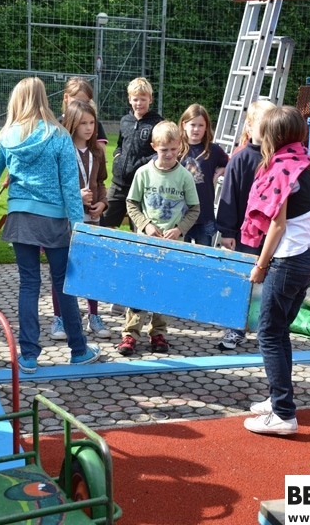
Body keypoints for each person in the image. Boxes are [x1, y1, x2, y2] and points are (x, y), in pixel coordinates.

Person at [0, 77, 100, 373]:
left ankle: (29, 355)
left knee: (29, 284)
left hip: (20, 218)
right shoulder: (58, 135)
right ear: (44, 98)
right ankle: (78, 349)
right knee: (63, 284)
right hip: (54, 221)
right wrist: (78, 225)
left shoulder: (7, 136)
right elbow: (69, 186)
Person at [241, 105, 310, 436]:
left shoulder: (283, 169)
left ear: (274, 135)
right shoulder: (303, 162)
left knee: (269, 334)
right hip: (308, 258)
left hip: (288, 261)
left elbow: (277, 225)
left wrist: (261, 266)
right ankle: (279, 400)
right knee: (279, 331)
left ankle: (284, 414)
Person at [117, 120, 200, 356]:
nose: (169, 154)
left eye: (174, 149)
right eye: (164, 150)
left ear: (180, 146)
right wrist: (145, 225)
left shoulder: (184, 176)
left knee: (165, 289)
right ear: (154, 147)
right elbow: (131, 204)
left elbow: (194, 209)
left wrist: (179, 229)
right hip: (146, 243)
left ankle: (158, 332)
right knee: (139, 286)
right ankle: (130, 333)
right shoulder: (143, 173)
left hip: (172, 244)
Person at [216, 100, 276, 350]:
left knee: (270, 285)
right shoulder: (240, 159)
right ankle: (235, 329)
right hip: (244, 236)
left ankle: (266, 331)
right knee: (243, 282)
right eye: (264, 123)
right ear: (250, 125)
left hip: (272, 235)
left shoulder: (278, 158)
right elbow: (228, 196)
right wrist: (227, 231)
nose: (269, 128)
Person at [50, 99, 111, 340]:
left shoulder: (97, 151)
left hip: (91, 220)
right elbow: (54, 186)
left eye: (92, 123)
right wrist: (76, 196)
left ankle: (93, 316)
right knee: (62, 270)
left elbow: (101, 182)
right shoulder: (62, 150)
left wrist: (102, 203)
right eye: (83, 123)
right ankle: (59, 318)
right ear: (73, 124)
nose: (88, 128)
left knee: (90, 269)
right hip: (66, 221)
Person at [100, 77, 163, 229]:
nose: (139, 103)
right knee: (104, 223)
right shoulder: (125, 121)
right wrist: (118, 156)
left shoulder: (157, 123)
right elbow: (119, 144)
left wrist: (142, 164)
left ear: (150, 99)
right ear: (129, 99)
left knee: (141, 229)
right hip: (118, 185)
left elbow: (160, 150)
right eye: (135, 99)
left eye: (143, 99)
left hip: (142, 187)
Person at [178, 103, 228, 246]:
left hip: (204, 213)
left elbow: (230, 164)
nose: (196, 129)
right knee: (180, 253)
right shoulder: (176, 149)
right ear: (184, 125)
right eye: (192, 125)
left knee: (204, 253)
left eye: (201, 125)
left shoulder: (213, 150)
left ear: (206, 127)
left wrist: (218, 173)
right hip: (181, 215)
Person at [61, 76, 108, 150]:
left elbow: (101, 154)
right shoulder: (57, 125)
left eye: (86, 102)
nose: (82, 105)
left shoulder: (95, 124)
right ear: (66, 97)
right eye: (78, 101)